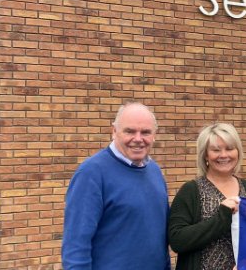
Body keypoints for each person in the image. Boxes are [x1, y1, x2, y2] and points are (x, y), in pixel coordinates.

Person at [62, 102, 171, 270]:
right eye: (130, 131)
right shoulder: (91, 173)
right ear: (114, 131)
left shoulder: (154, 171)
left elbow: (158, 240)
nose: (138, 139)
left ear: (154, 135)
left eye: (145, 132)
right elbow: (75, 246)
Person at [168, 122, 246, 270]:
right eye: (216, 150)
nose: (224, 155)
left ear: (237, 152)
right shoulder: (191, 191)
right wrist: (223, 216)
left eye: (229, 148)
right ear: (205, 154)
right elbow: (177, 240)